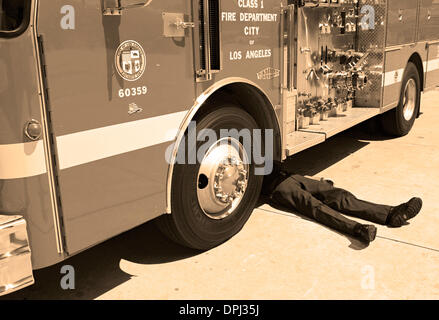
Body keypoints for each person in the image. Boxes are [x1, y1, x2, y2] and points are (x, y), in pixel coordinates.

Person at [262, 163, 423, 244]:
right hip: (277, 188)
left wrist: (316, 180)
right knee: (316, 208)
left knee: (340, 196)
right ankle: (357, 229)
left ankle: (391, 213)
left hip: (291, 175)